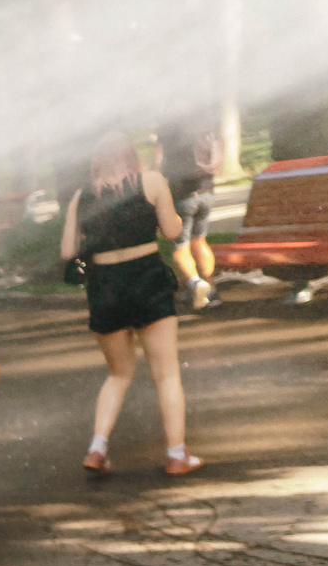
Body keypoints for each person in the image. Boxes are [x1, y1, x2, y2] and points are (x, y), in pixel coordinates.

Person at [60, 131, 199, 479]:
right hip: (147, 278)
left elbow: (67, 251)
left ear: (98, 161)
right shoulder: (151, 181)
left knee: (118, 374)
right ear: (132, 155)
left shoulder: (82, 196)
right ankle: (177, 455)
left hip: (105, 286)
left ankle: (97, 448)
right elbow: (172, 231)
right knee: (166, 374)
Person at [160, 118, 223, 311]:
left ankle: (195, 284)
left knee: (179, 246)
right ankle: (211, 290)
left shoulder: (168, 126)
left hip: (182, 195)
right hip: (207, 192)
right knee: (199, 241)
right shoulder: (202, 123)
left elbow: (160, 163)